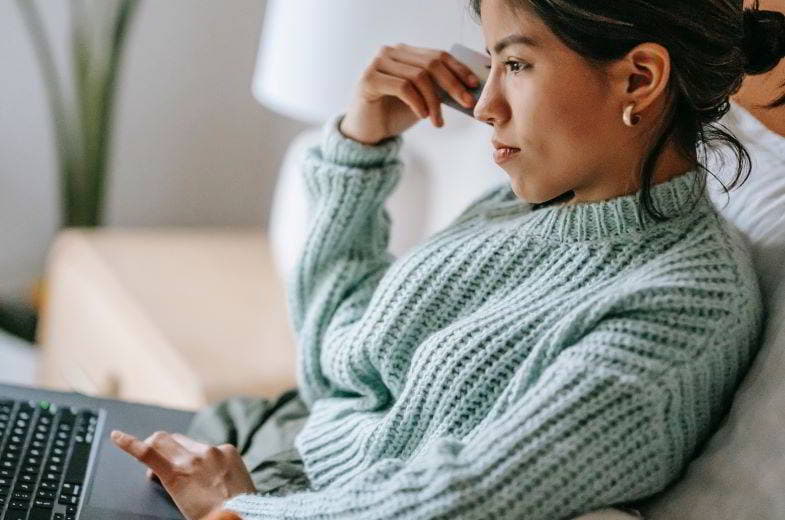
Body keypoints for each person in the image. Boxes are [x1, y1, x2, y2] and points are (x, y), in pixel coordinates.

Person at [111, 0, 785, 518]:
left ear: (638, 77)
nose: (487, 105)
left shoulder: (681, 307)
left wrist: (235, 510)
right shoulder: (531, 205)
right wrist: (359, 146)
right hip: (271, 452)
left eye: (515, 65)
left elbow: (463, 499)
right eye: (489, 63)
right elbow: (337, 368)